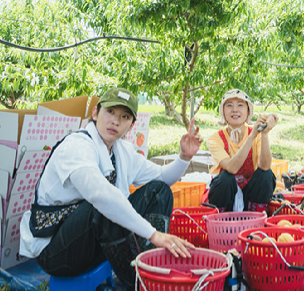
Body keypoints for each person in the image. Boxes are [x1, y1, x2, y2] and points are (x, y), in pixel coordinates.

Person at [19, 88, 202, 291]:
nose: (115, 121)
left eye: (124, 117)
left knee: (159, 191)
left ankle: (148, 265)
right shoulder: (77, 145)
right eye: (110, 112)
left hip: (95, 240)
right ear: (96, 113)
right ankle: (139, 284)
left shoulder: (122, 151)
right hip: (56, 250)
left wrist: (185, 157)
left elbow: (161, 177)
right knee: (104, 207)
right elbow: (100, 195)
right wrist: (153, 234)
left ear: (131, 126)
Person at [206, 89, 278, 213]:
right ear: (223, 112)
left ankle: (255, 215)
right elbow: (231, 168)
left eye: (240, 105)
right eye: (229, 105)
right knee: (226, 178)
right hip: (225, 197)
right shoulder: (215, 139)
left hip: (248, 197)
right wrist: (252, 136)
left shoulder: (257, 134)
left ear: (248, 111)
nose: (235, 110)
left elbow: (264, 167)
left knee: (267, 175)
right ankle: (221, 218)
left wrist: (264, 134)